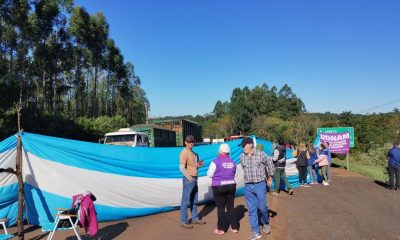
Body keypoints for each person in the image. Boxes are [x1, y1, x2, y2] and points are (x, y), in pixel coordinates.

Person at [239, 137, 275, 240]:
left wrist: (269, 178)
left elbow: (270, 164)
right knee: (252, 210)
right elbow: (243, 168)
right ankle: (256, 231)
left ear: (250, 144)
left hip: (260, 185)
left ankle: (265, 223)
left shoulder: (261, 154)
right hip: (248, 186)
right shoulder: (242, 156)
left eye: (243, 145)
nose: (242, 147)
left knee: (262, 208)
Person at [207, 143, 238, 235]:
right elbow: (235, 174)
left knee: (221, 208)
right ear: (228, 152)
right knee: (230, 207)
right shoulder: (233, 162)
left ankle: (221, 229)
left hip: (219, 187)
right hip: (231, 186)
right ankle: (235, 227)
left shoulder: (215, 162)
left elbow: (210, 174)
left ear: (220, 151)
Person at [179, 135, 206, 229]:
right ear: (185, 142)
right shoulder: (184, 152)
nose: (190, 143)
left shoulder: (193, 153)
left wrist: (198, 165)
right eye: (189, 142)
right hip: (189, 179)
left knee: (194, 200)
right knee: (185, 201)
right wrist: (190, 178)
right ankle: (184, 221)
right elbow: (181, 168)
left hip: (194, 178)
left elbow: (193, 166)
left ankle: (194, 218)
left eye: (192, 142)